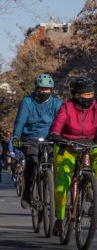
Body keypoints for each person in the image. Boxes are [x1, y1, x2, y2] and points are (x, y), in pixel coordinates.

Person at [50, 77, 97, 236]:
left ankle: (90, 185)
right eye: (86, 95)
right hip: (67, 145)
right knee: (62, 184)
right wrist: (56, 134)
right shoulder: (67, 107)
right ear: (76, 95)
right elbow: (58, 123)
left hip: (88, 144)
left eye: (92, 94)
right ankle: (59, 218)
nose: (90, 97)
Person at [12, 74, 62, 209]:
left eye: (47, 89)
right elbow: (20, 121)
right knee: (32, 163)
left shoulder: (57, 103)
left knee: (56, 162)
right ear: (36, 89)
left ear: (52, 90)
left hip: (50, 138)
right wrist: (16, 137)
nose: (45, 92)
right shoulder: (27, 102)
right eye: (41, 89)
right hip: (30, 138)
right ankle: (27, 192)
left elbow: (61, 121)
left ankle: (54, 191)